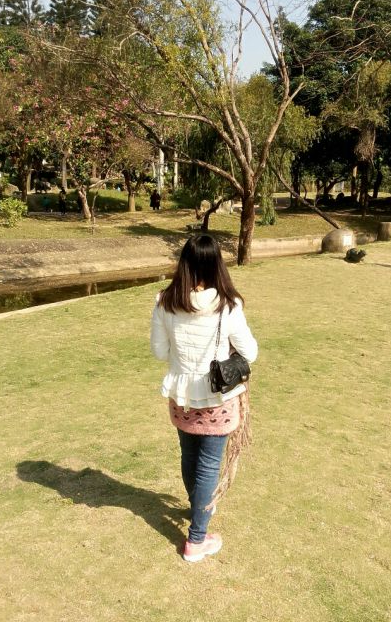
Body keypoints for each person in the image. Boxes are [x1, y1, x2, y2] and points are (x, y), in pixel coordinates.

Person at [150, 235, 258, 562]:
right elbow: (250, 352)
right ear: (216, 265)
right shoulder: (228, 305)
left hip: (181, 395)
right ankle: (197, 540)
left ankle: (198, 509)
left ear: (184, 263)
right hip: (217, 398)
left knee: (190, 456)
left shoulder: (165, 301)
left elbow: (160, 352)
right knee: (208, 465)